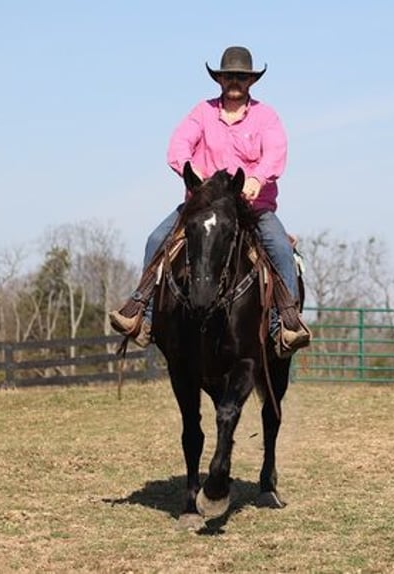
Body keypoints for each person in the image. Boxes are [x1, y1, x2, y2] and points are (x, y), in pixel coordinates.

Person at [109, 46, 311, 356]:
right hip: (204, 205)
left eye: (241, 77)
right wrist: (193, 173)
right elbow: (178, 147)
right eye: (229, 76)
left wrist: (257, 179)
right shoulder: (201, 112)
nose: (235, 82)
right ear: (219, 79)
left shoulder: (265, 117)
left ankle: (284, 324)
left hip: (251, 208)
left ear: (251, 82)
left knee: (281, 249)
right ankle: (142, 315)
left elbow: (275, 152)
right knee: (155, 239)